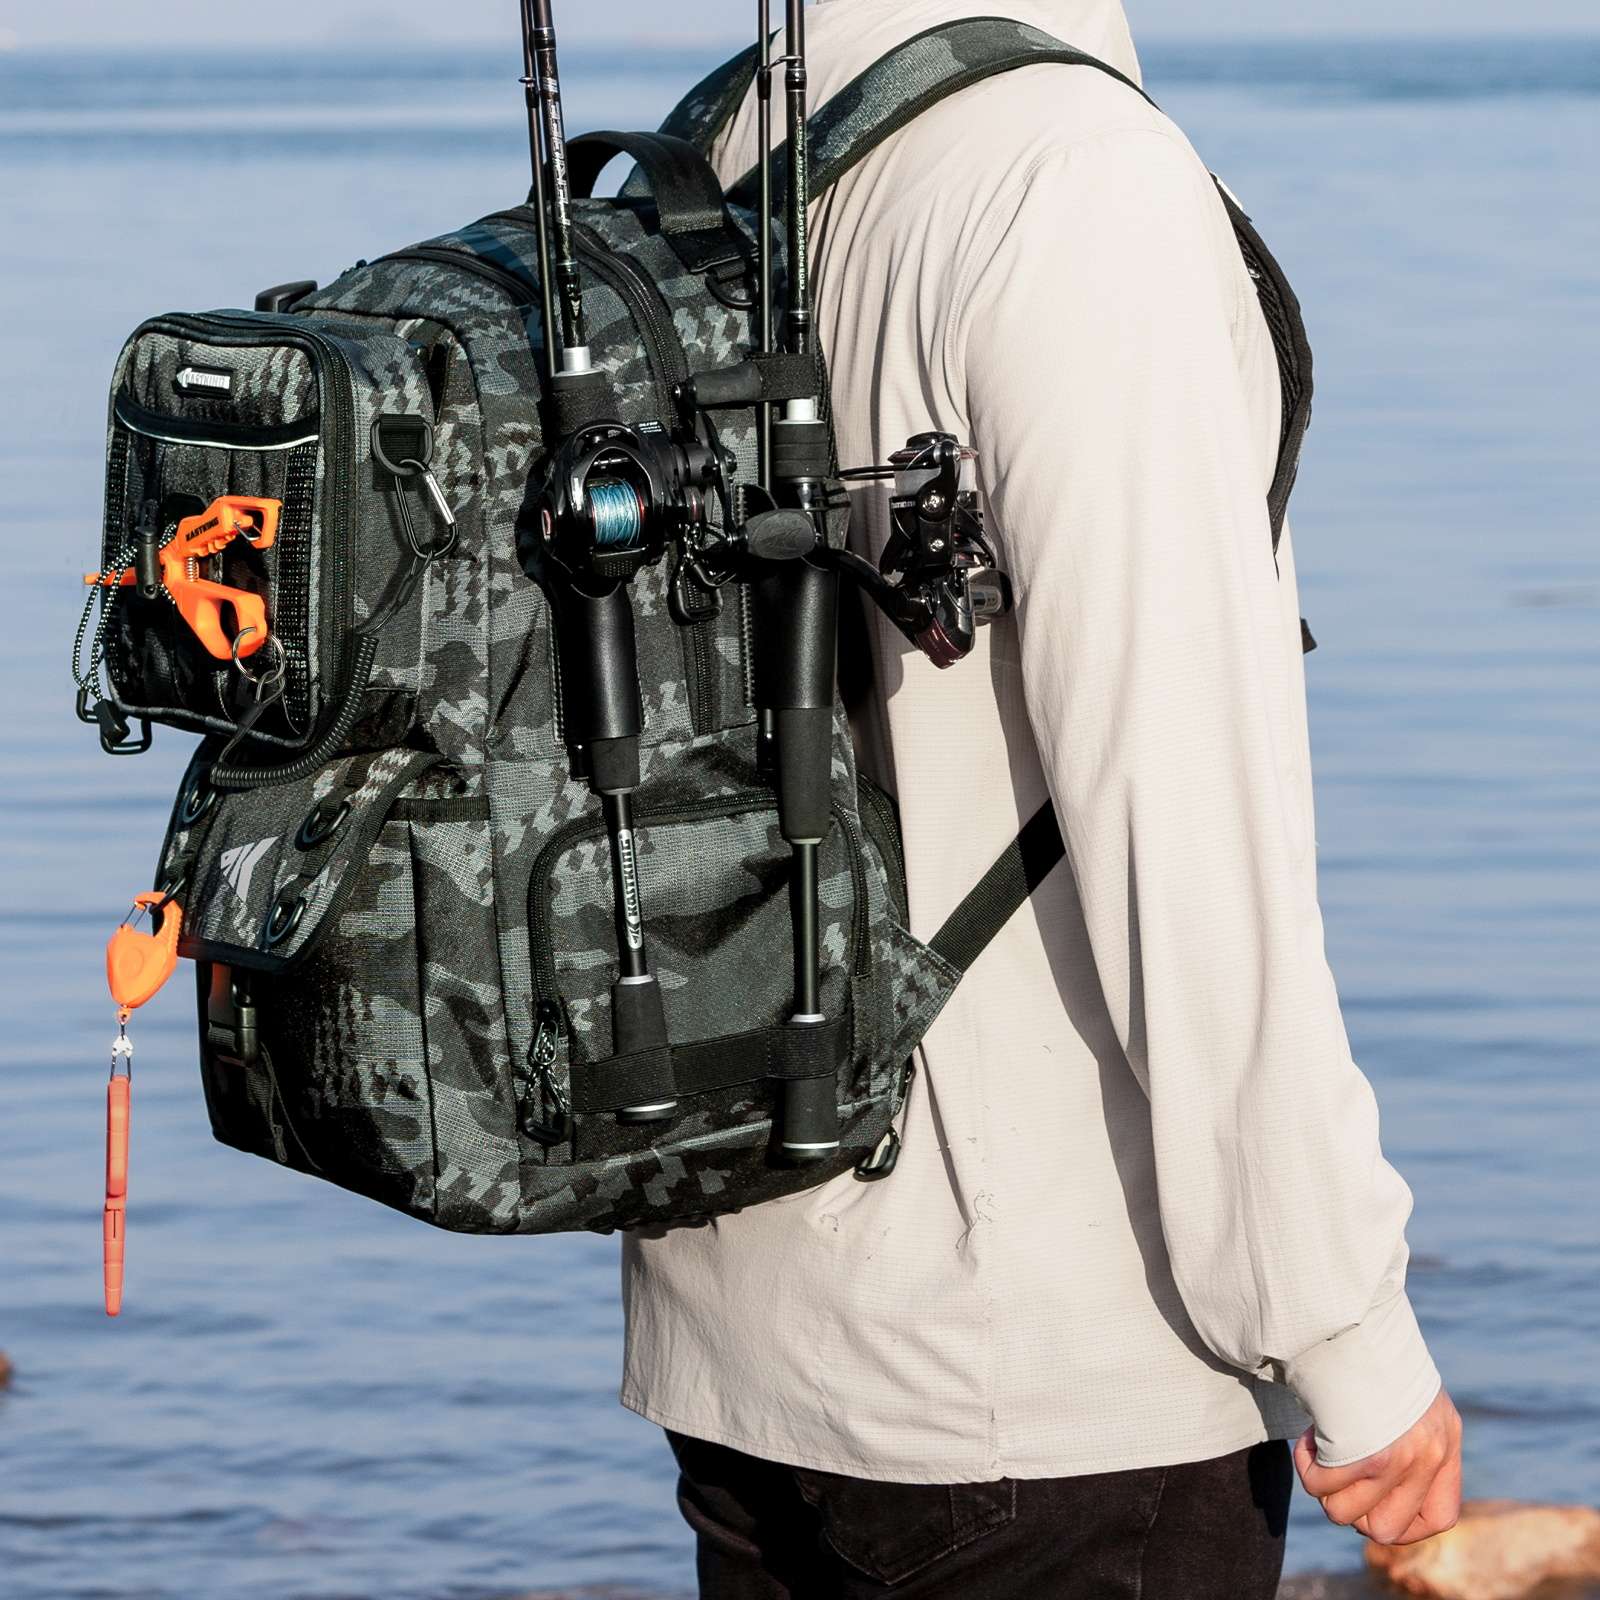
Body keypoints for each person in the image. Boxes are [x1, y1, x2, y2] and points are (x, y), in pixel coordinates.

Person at [620, 2, 1463, 1593]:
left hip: (742, 1316)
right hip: (1044, 1380)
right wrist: (1343, 1329)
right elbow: (1177, 811)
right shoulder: (1077, 180)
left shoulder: (740, 135)